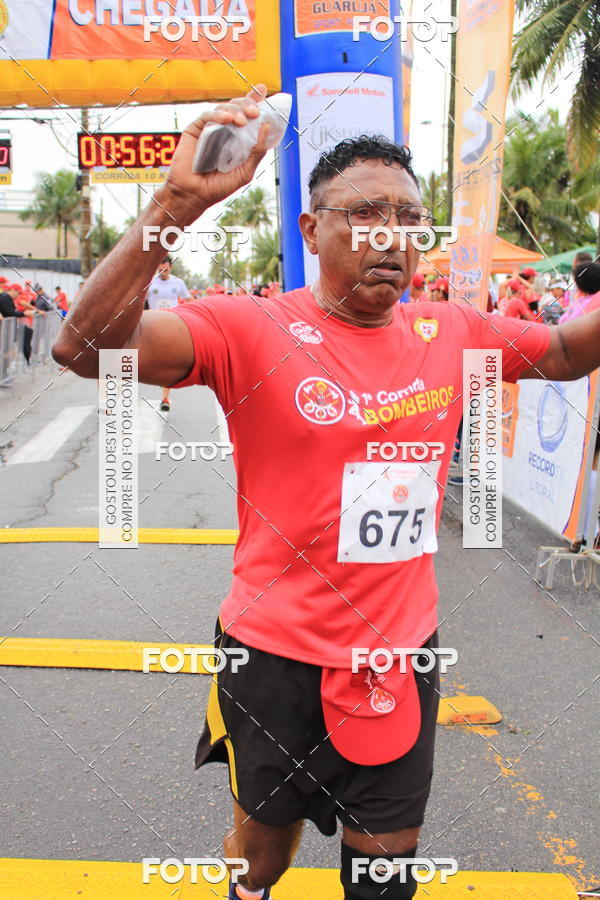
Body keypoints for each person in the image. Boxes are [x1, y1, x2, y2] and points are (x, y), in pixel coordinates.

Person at [52, 86, 600, 900]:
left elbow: (564, 350)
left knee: (385, 874)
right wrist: (174, 205)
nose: (392, 234)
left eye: (409, 217)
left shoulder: (453, 331)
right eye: (365, 213)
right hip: (271, 659)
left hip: (397, 658)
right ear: (311, 230)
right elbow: (83, 347)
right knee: (262, 858)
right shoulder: (249, 328)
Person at [145, 255, 191, 412]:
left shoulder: (178, 282)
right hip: (152, 326)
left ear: (170, 267)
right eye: (159, 269)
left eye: (164, 269)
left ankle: (165, 398)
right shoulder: (149, 282)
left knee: (168, 361)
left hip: (172, 326)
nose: (162, 272)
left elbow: (189, 299)